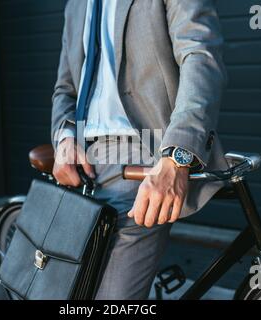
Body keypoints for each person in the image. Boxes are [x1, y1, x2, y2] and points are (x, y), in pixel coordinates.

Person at [51, 0, 228, 300]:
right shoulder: (75, 5)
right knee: (63, 289)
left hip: (143, 156)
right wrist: (64, 137)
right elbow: (65, 88)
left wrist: (177, 155)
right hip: (83, 164)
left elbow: (200, 56)